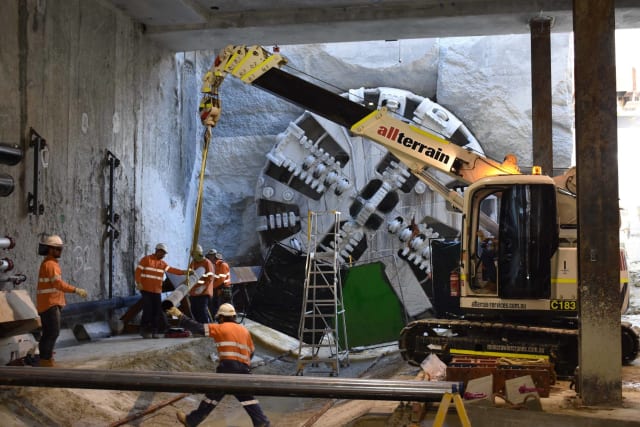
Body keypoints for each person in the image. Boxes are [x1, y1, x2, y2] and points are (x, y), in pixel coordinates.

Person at [167, 303, 270, 427]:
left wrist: (180, 316)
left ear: (221, 317)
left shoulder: (220, 328)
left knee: (212, 396)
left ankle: (191, 421)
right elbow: (252, 351)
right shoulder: (244, 330)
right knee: (247, 398)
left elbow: (198, 327)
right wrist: (243, 365)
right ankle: (261, 422)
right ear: (234, 316)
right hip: (243, 369)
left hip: (227, 368)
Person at [36, 234, 88, 367]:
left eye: (60, 249)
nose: (60, 252)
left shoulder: (48, 264)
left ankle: (45, 359)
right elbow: (58, 284)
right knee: (53, 332)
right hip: (50, 304)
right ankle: (45, 360)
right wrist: (75, 289)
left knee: (49, 332)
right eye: (57, 249)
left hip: (47, 303)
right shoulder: (51, 265)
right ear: (50, 249)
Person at [135, 243, 189, 338]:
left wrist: (184, 272)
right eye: (162, 253)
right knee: (148, 310)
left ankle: (154, 331)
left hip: (157, 291)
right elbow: (138, 271)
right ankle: (144, 330)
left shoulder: (162, 264)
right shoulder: (146, 260)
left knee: (156, 311)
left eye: (164, 254)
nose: (164, 255)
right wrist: (138, 283)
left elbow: (172, 270)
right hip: (146, 290)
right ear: (157, 251)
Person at [188, 244, 215, 323]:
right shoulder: (193, 263)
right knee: (194, 311)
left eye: (193, 254)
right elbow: (189, 275)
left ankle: (206, 329)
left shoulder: (207, 263)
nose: (192, 256)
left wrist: (203, 287)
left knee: (202, 311)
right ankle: (200, 327)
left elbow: (210, 277)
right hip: (194, 292)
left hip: (203, 292)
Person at [210, 252, 232, 317]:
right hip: (221, 289)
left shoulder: (222, 265)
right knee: (221, 306)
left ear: (215, 259)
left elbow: (221, 280)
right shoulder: (217, 265)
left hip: (224, 289)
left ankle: (228, 320)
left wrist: (212, 287)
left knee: (225, 306)